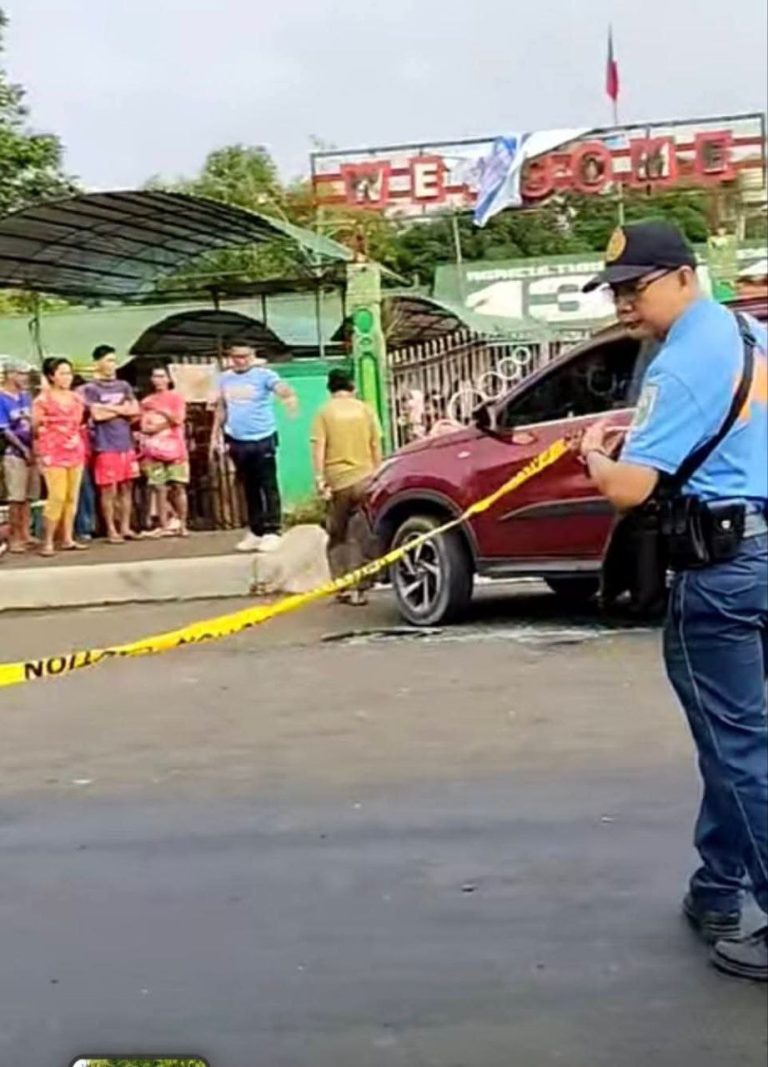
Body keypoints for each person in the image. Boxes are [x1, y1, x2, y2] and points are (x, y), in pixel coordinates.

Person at [577, 220, 768, 981]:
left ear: (685, 276)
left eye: (637, 287)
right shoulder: (747, 334)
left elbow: (631, 489)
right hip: (760, 551)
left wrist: (596, 457)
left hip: (721, 572)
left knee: (739, 747)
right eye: (616, 291)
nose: (625, 304)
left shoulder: (682, 361)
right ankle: (716, 888)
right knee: (739, 737)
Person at [210, 341, 297, 553]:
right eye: (236, 357)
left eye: (245, 357)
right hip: (237, 439)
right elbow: (221, 408)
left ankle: (273, 529)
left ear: (252, 356)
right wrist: (215, 435)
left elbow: (280, 388)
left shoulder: (264, 375)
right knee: (249, 487)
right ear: (231, 357)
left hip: (262, 437)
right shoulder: (225, 379)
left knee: (267, 484)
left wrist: (288, 397)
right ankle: (256, 530)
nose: (240, 361)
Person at [311, 368, 382, 605]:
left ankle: (341, 586)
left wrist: (320, 478)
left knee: (338, 535)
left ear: (329, 387)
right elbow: (375, 445)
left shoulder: (324, 412)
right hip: (366, 478)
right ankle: (359, 588)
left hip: (338, 482)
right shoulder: (365, 410)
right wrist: (378, 474)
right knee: (360, 535)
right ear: (352, 386)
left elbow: (319, 447)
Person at [81, 344, 140, 543]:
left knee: (127, 487)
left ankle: (125, 527)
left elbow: (135, 410)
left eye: (114, 360)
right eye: (108, 360)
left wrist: (110, 409)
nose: (112, 365)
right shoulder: (91, 388)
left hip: (126, 443)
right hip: (105, 445)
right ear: (98, 363)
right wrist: (121, 409)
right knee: (108, 490)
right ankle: (111, 529)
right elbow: (96, 415)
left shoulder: (124, 386)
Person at [32, 358, 87, 557]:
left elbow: (78, 421)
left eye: (69, 373)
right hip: (52, 451)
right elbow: (35, 426)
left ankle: (68, 538)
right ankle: (48, 540)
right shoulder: (42, 400)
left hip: (74, 449)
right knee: (57, 496)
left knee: (72, 496)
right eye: (62, 373)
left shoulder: (76, 398)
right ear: (51, 376)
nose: (67, 377)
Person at [140, 364, 189, 537]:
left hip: (175, 448)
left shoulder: (176, 398)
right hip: (153, 449)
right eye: (155, 376)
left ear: (168, 379)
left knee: (178, 486)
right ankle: (164, 524)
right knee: (159, 487)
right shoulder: (146, 401)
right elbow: (144, 426)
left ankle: (183, 524)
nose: (158, 380)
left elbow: (179, 419)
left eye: (162, 376)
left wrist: (162, 413)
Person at [0, 359, 39, 553]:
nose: (25, 378)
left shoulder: (26, 397)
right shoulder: (1, 399)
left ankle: (25, 532)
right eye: (21, 374)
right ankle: (14, 536)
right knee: (16, 497)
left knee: (28, 496)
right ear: (10, 375)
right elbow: (5, 430)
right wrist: (23, 449)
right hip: (14, 453)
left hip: (32, 450)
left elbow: (33, 422)